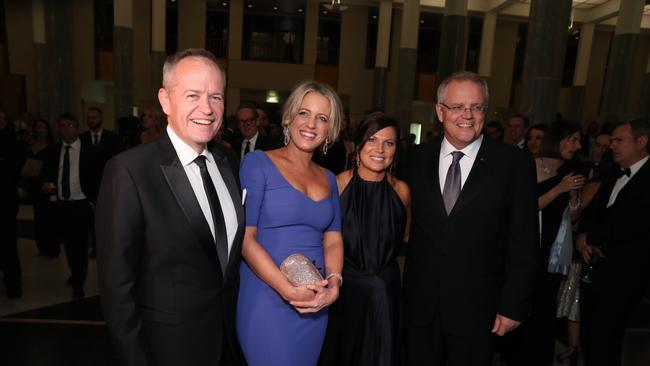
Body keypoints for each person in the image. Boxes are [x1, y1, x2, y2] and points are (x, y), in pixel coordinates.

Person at [96, 48, 245, 366]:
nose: (206, 108)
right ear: (165, 100)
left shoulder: (227, 161)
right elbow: (116, 287)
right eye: (193, 95)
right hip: (167, 349)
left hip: (228, 343)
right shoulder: (129, 171)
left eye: (215, 97)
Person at [403, 71, 539, 366]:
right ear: (440, 111)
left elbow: (524, 242)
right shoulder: (413, 160)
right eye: (458, 107)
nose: (467, 115)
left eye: (476, 107)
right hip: (420, 307)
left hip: (480, 310)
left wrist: (513, 305)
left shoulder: (514, 165)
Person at [236, 80, 344, 366]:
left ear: (330, 129)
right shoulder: (257, 164)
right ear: (288, 117)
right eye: (304, 113)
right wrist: (288, 290)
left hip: (315, 303)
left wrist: (333, 285)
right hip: (267, 297)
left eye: (322, 118)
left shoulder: (329, 178)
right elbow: (246, 240)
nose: (311, 124)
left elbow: (333, 239)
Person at [319, 112, 411, 366]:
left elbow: (404, 236)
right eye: (372, 140)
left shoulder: (401, 190)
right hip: (344, 291)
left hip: (386, 291)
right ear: (358, 145)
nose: (380, 149)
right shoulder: (336, 185)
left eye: (389, 143)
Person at [505, 119, 585, 366]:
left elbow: (572, 218)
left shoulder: (570, 171)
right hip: (526, 248)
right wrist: (559, 189)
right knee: (520, 307)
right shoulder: (529, 167)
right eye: (573, 139)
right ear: (557, 140)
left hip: (552, 252)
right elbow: (524, 210)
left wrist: (572, 199)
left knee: (543, 312)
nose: (577, 145)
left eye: (579, 140)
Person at [577, 118, 650, 366]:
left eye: (619, 140)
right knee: (589, 336)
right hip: (595, 271)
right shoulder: (612, 173)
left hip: (625, 274)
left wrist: (595, 238)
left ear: (641, 142)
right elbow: (592, 212)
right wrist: (583, 236)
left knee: (607, 338)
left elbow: (636, 225)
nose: (612, 146)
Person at [40, 113, 100, 299]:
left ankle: (79, 281)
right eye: (62, 125)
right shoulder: (53, 151)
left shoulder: (89, 150)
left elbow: (98, 176)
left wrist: (95, 201)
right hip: (61, 205)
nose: (66, 129)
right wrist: (46, 184)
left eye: (70, 125)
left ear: (77, 128)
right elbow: (45, 175)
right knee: (68, 243)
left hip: (81, 204)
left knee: (80, 245)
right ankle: (75, 273)